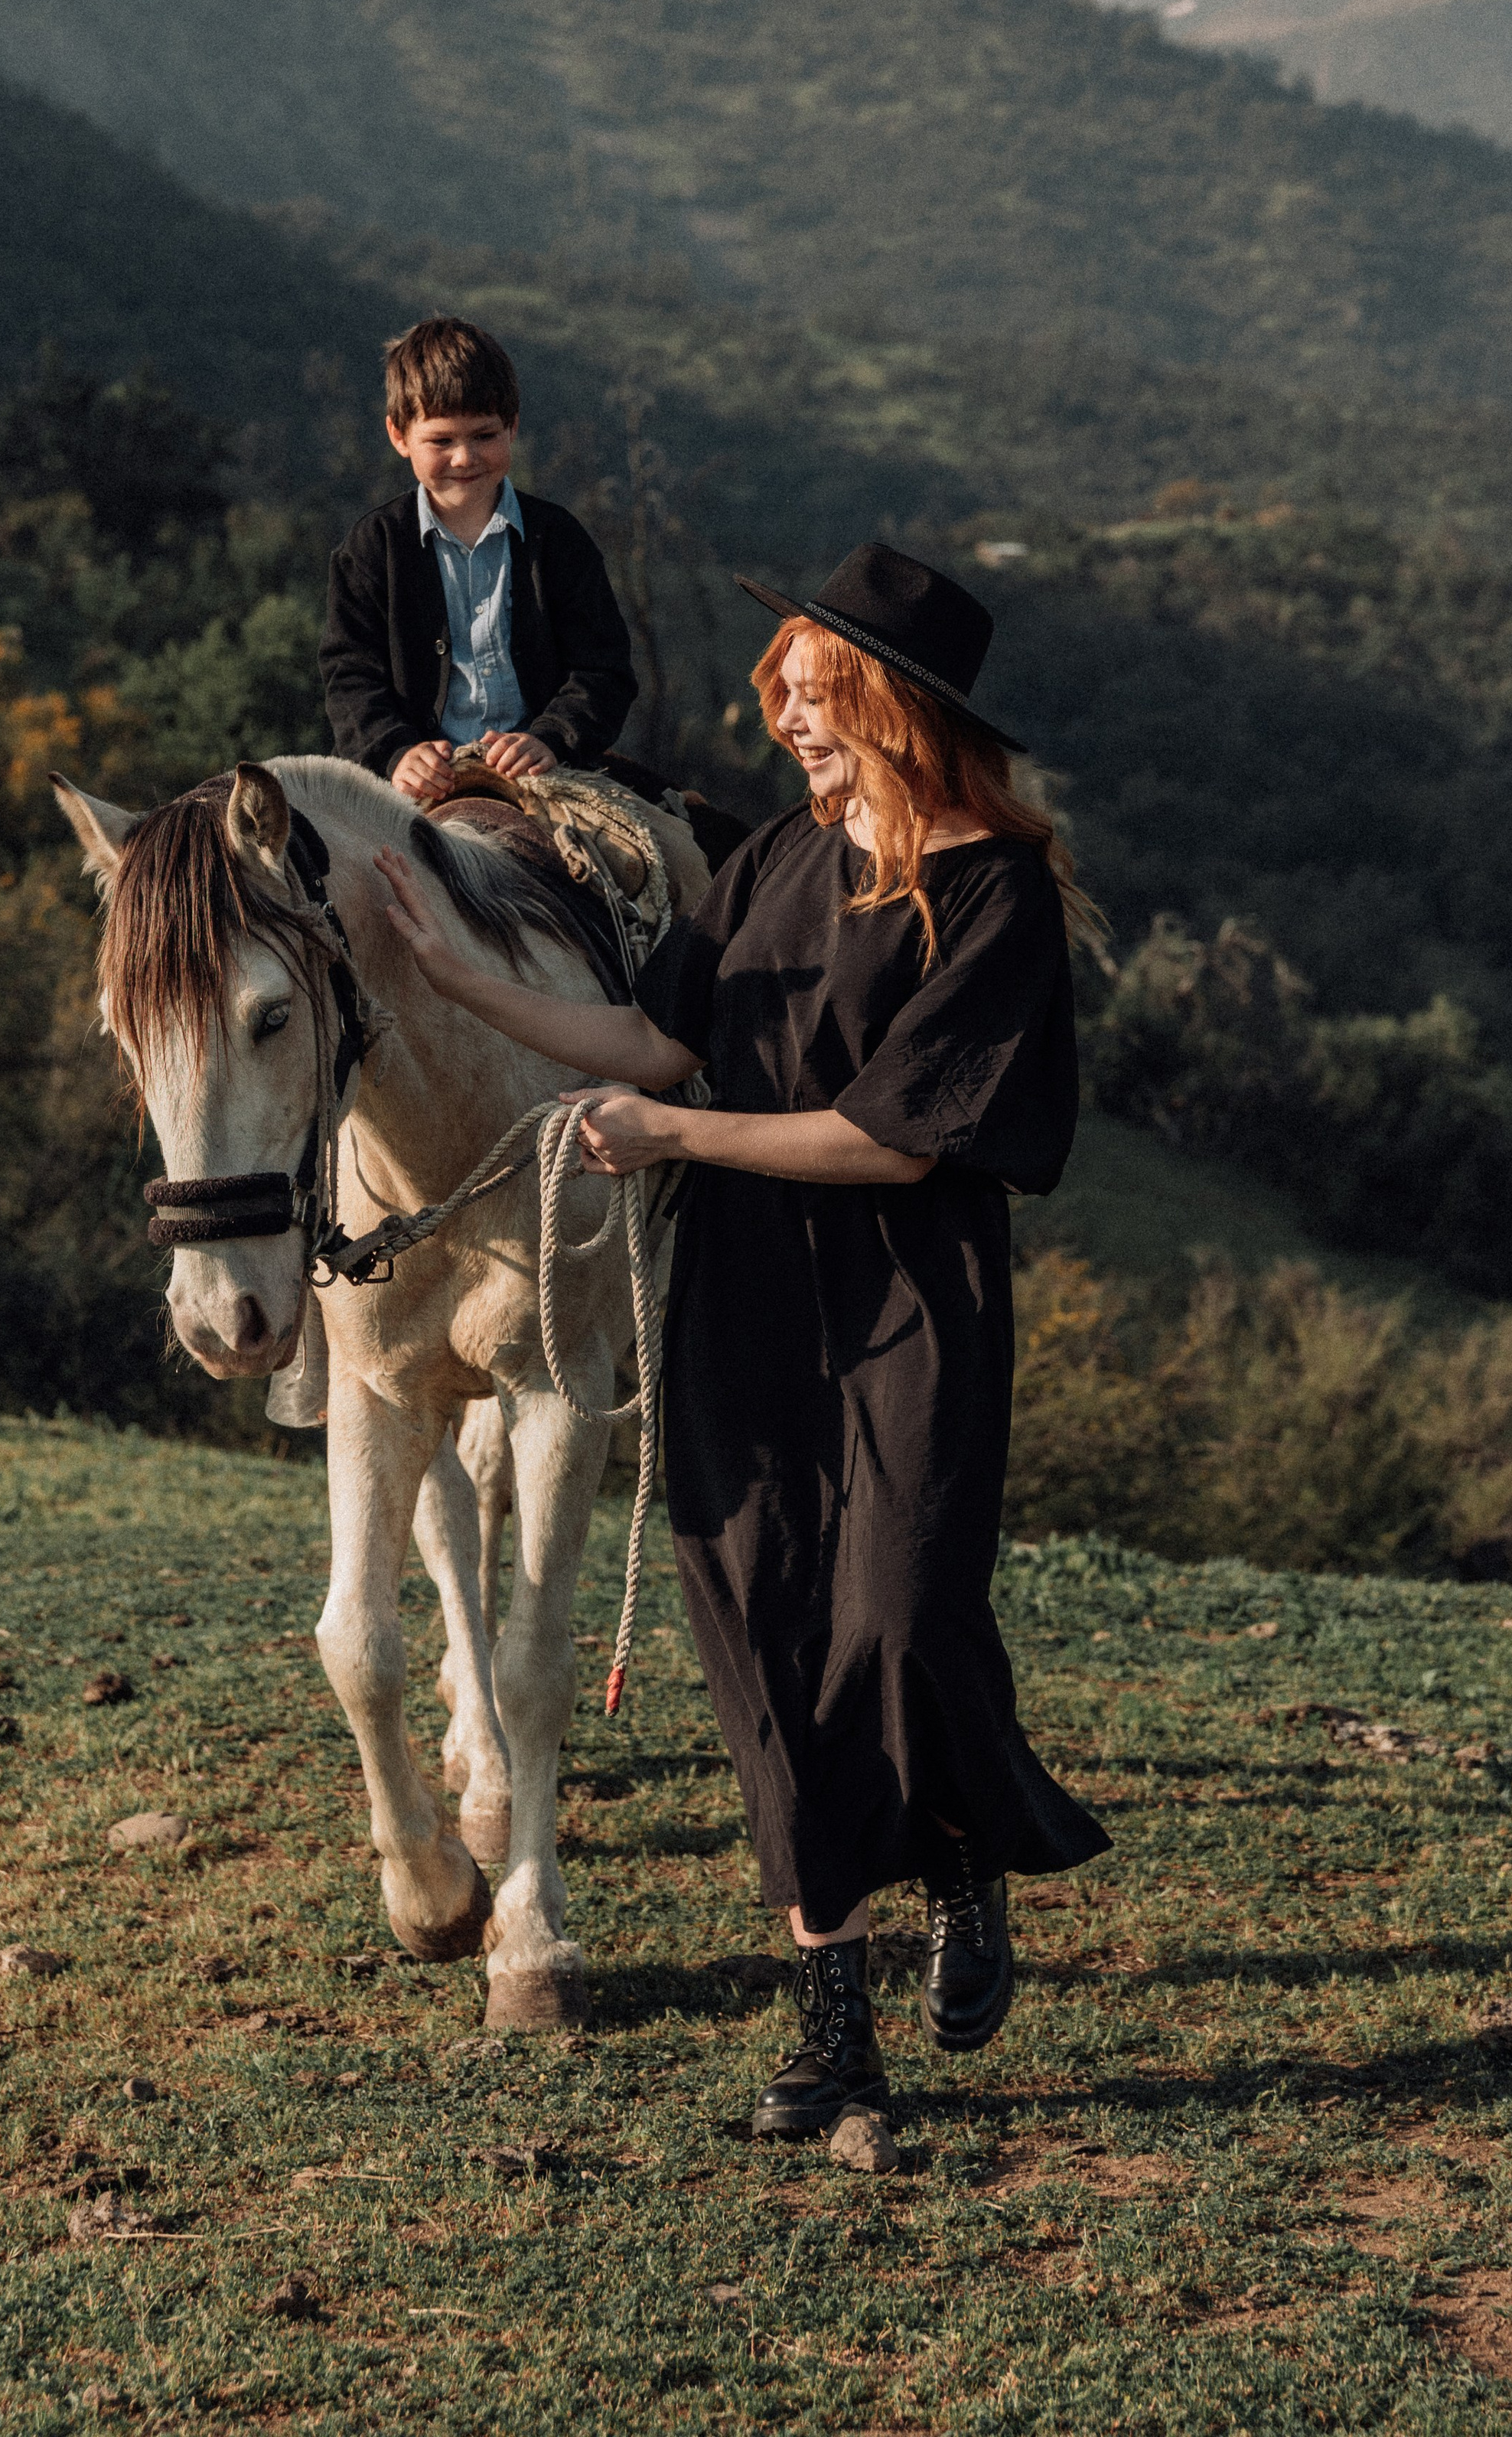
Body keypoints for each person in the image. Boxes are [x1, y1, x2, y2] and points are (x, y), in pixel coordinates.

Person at [373, 540, 1110, 2151]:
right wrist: (456, 980)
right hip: (743, 1290)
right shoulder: (774, 855)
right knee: (764, 1631)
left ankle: (957, 1845)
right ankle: (833, 2023)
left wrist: (678, 1137)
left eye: (820, 691)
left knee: (902, 1614)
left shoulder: (991, 889)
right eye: (783, 687)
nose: (788, 715)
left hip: (907, 1293)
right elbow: (654, 1039)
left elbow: (892, 1143)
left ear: (903, 710)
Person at [320, 315, 638, 807]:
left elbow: (604, 669)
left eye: (485, 435)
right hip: (415, 788)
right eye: (442, 440)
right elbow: (350, 677)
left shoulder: (559, 540)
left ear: (512, 427)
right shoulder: (371, 549)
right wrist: (397, 753)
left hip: (547, 778)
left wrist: (551, 738)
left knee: (672, 844)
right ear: (400, 436)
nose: (465, 457)